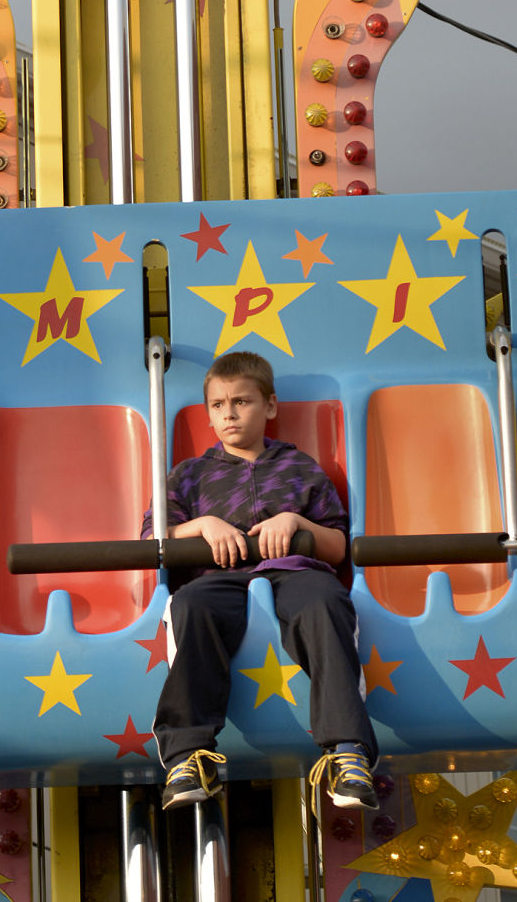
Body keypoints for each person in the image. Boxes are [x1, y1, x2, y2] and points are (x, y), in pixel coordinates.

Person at [142, 348, 379, 812]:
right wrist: (202, 525)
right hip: (219, 579)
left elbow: (335, 544)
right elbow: (155, 538)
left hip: (294, 574)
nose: (229, 414)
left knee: (325, 603)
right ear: (208, 414)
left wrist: (295, 521)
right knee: (191, 607)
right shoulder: (190, 476)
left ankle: (348, 753)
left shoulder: (300, 468)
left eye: (242, 402)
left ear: (270, 406)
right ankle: (188, 756)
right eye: (218, 405)